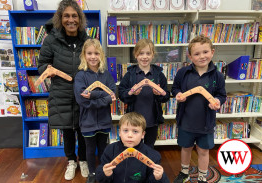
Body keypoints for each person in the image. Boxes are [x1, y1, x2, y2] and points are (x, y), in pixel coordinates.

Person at [37, 0, 89, 180]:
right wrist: (47, 70)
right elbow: (41, 64)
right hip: (61, 92)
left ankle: (83, 160)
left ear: (80, 19)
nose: (71, 20)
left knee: (83, 130)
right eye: (66, 16)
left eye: (74, 16)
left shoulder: (87, 40)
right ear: (60, 18)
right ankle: (71, 161)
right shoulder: (51, 40)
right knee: (67, 130)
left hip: (83, 93)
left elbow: (95, 62)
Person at [171, 35, 226, 183]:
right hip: (186, 121)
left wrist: (217, 101)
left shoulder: (218, 76)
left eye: (205, 52)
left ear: (212, 52)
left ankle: (202, 176)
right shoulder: (183, 73)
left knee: (203, 150)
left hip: (206, 123)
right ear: (190, 56)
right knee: (186, 148)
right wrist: (178, 94)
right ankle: (184, 172)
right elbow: (175, 88)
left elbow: (222, 95)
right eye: (197, 54)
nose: (202, 56)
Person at [74, 38, 116, 183]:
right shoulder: (80, 75)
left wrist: (92, 95)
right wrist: (102, 96)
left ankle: (104, 172)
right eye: (89, 53)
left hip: (104, 120)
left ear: (101, 55)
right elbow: (81, 100)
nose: (93, 57)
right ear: (84, 55)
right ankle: (92, 173)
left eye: (96, 53)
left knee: (103, 148)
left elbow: (113, 94)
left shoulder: (106, 74)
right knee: (90, 150)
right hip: (88, 122)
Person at [118, 39, 170, 149]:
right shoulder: (130, 74)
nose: (145, 57)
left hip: (152, 120)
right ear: (136, 55)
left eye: (148, 53)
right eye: (141, 53)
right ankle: (133, 166)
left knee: (149, 147)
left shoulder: (159, 75)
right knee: (132, 147)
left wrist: (159, 94)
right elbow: (121, 95)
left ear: (153, 55)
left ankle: (146, 166)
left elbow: (166, 96)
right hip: (133, 121)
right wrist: (131, 93)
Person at [96, 112, 170, 183]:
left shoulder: (153, 155)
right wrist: (104, 174)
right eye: (125, 130)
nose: (130, 135)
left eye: (135, 131)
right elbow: (100, 176)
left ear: (142, 134)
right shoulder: (110, 150)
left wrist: (159, 178)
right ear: (119, 133)